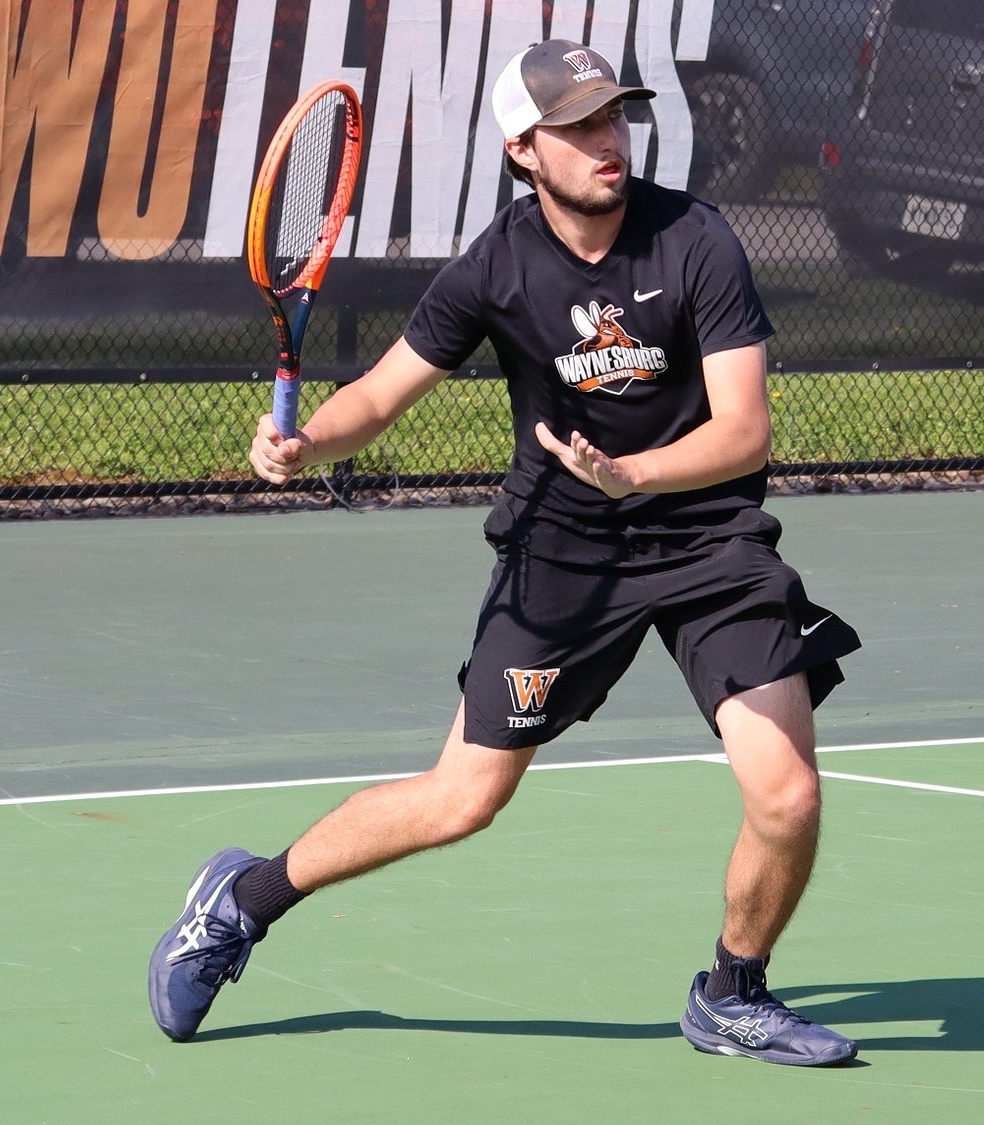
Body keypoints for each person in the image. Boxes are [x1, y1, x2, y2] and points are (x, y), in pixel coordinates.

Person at [148, 39, 862, 1067]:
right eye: (578, 125)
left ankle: (732, 992)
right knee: (463, 799)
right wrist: (308, 445)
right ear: (524, 149)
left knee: (787, 794)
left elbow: (745, 431)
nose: (607, 139)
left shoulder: (695, 239)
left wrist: (635, 474)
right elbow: (380, 394)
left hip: (705, 538)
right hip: (561, 554)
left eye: (612, 115)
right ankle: (241, 900)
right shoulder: (496, 264)